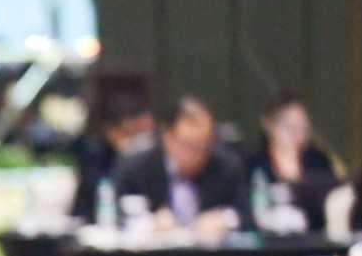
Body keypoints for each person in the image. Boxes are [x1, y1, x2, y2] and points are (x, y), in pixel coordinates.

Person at [111, 95, 250, 231]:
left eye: (205, 146)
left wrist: (225, 219)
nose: (198, 155)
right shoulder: (136, 166)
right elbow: (118, 217)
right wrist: (151, 223)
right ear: (167, 137)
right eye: (189, 146)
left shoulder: (226, 165)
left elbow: (246, 215)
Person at [247, 91, 342, 229]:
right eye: (289, 128)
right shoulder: (253, 162)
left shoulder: (317, 160)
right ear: (269, 125)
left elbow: (331, 202)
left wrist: (300, 180)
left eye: (303, 128)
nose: (298, 135)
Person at [69, 92, 154, 219]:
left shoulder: (150, 158)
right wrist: (125, 158)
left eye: (145, 133)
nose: (141, 141)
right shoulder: (95, 156)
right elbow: (98, 199)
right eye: (134, 133)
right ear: (112, 131)